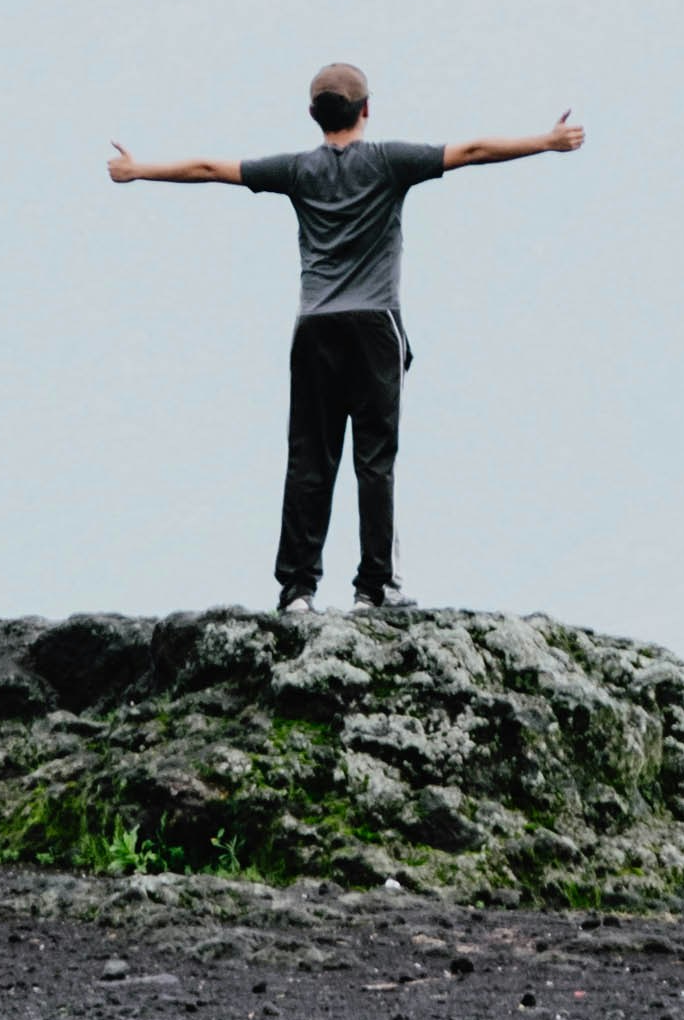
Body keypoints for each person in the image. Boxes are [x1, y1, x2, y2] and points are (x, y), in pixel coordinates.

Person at [108, 63, 583, 610]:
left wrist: (138, 169)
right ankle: (374, 588)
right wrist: (547, 142)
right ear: (366, 109)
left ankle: (297, 590)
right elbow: (473, 150)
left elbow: (210, 167)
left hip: (314, 329)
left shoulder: (295, 170)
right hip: (374, 325)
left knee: (309, 458)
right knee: (375, 460)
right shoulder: (388, 162)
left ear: (314, 116)